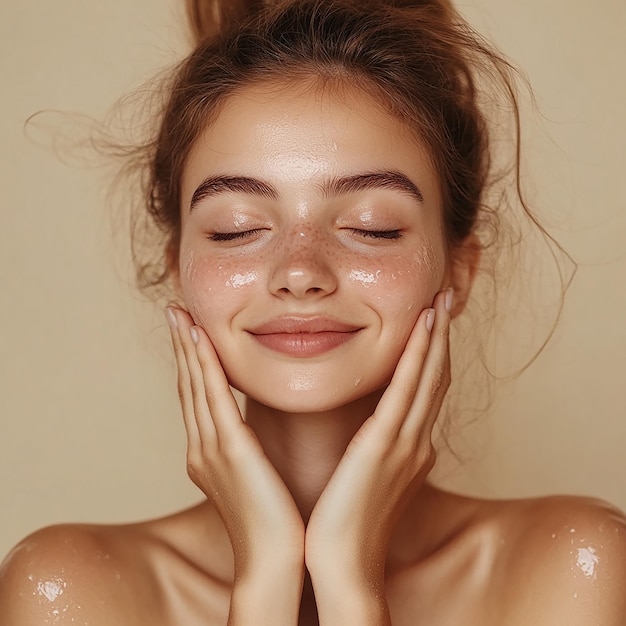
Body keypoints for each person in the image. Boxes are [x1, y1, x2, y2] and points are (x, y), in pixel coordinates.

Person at [1, 0, 625, 624]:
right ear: (177, 265)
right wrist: (265, 576)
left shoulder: (575, 566)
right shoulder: (69, 590)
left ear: (459, 270)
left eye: (371, 226)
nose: (300, 272)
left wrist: (348, 577)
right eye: (235, 230)